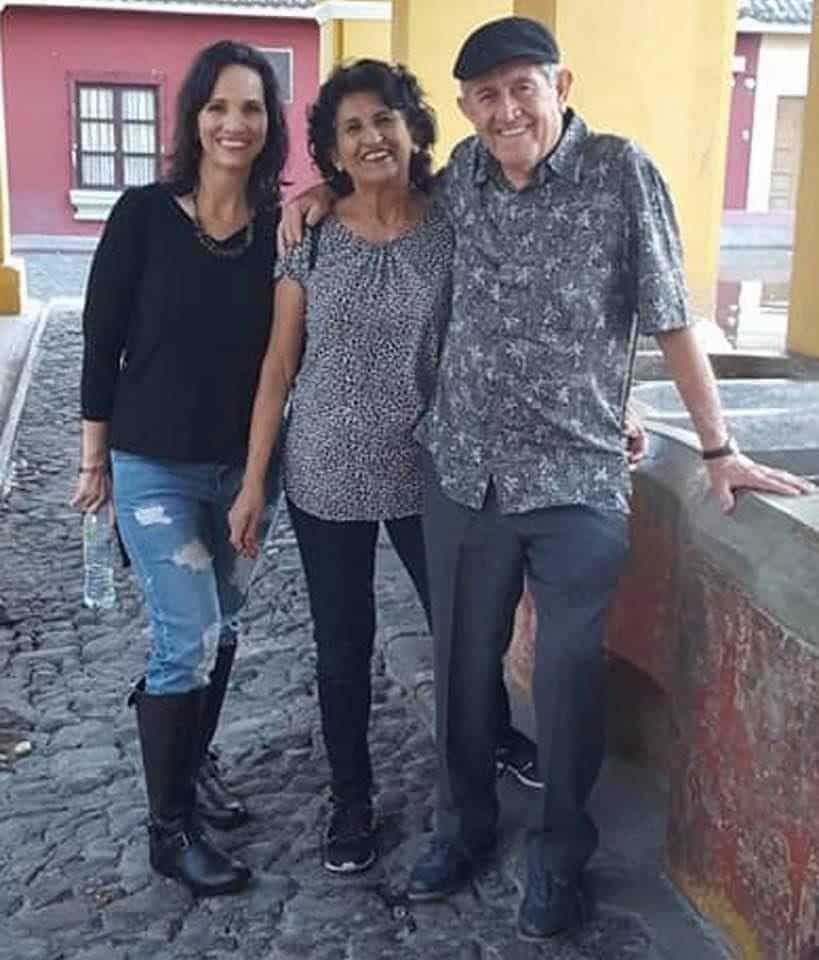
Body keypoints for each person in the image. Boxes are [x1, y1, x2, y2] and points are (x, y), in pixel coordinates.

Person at [281, 16, 813, 942]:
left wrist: (716, 447)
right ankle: (462, 828)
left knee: (565, 685)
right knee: (461, 672)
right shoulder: (461, 187)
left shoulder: (619, 173)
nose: (506, 108)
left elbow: (673, 317)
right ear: (464, 110)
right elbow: (383, 187)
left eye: (522, 87)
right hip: (462, 477)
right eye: (485, 96)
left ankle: (560, 858)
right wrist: (319, 193)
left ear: (559, 86)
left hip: (575, 484)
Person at [72, 40, 288, 896]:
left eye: (252, 109)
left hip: (241, 470)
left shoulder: (281, 228)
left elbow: (282, 358)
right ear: (193, 117)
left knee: (220, 630)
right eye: (218, 106)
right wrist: (95, 462)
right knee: (187, 637)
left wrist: (257, 477)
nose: (234, 124)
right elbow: (101, 339)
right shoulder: (142, 214)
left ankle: (189, 765)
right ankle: (170, 833)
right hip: (151, 463)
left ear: (269, 126)